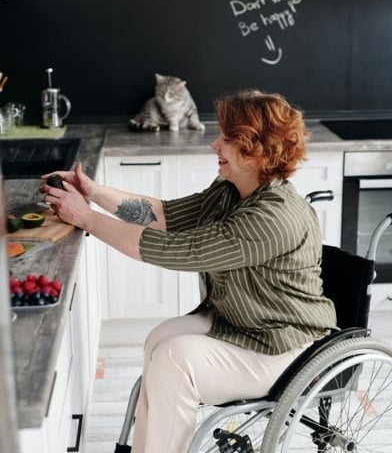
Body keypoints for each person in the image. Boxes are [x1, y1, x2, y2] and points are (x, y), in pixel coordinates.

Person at [41, 89, 337, 453]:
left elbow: (176, 250)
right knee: (160, 339)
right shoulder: (232, 190)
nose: (214, 144)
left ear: (255, 150)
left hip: (282, 345)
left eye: (227, 139)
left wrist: (85, 217)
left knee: (173, 360)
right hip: (246, 322)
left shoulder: (271, 217)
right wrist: (93, 192)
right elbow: (164, 216)